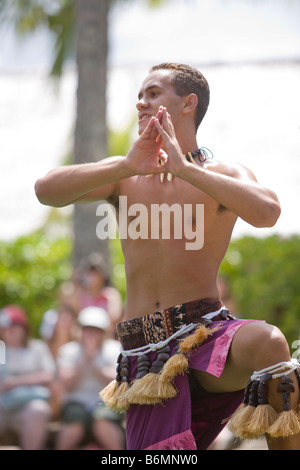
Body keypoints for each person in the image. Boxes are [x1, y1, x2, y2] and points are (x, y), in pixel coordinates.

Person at [34, 62, 300, 450]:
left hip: (206, 331)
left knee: (271, 345)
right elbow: (46, 190)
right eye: (140, 95)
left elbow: (268, 212)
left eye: (153, 93)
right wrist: (127, 164)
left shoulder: (222, 172)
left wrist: (187, 170)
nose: (142, 103)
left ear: (189, 103)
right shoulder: (126, 173)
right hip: (146, 353)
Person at [55, 306, 124, 450]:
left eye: (96, 330)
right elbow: (66, 384)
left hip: (107, 402)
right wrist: (84, 361)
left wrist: (94, 362)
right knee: (75, 420)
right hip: (76, 401)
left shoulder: (115, 349)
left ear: (103, 332)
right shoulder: (68, 350)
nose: (91, 334)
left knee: (102, 419)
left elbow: (119, 381)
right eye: (87, 329)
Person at [0, 305, 55, 449]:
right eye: (5, 327)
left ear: (24, 328)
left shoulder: (37, 348)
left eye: (13, 327)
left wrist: (15, 382)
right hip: (2, 406)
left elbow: (48, 375)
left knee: (39, 410)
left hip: (27, 405)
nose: (9, 331)